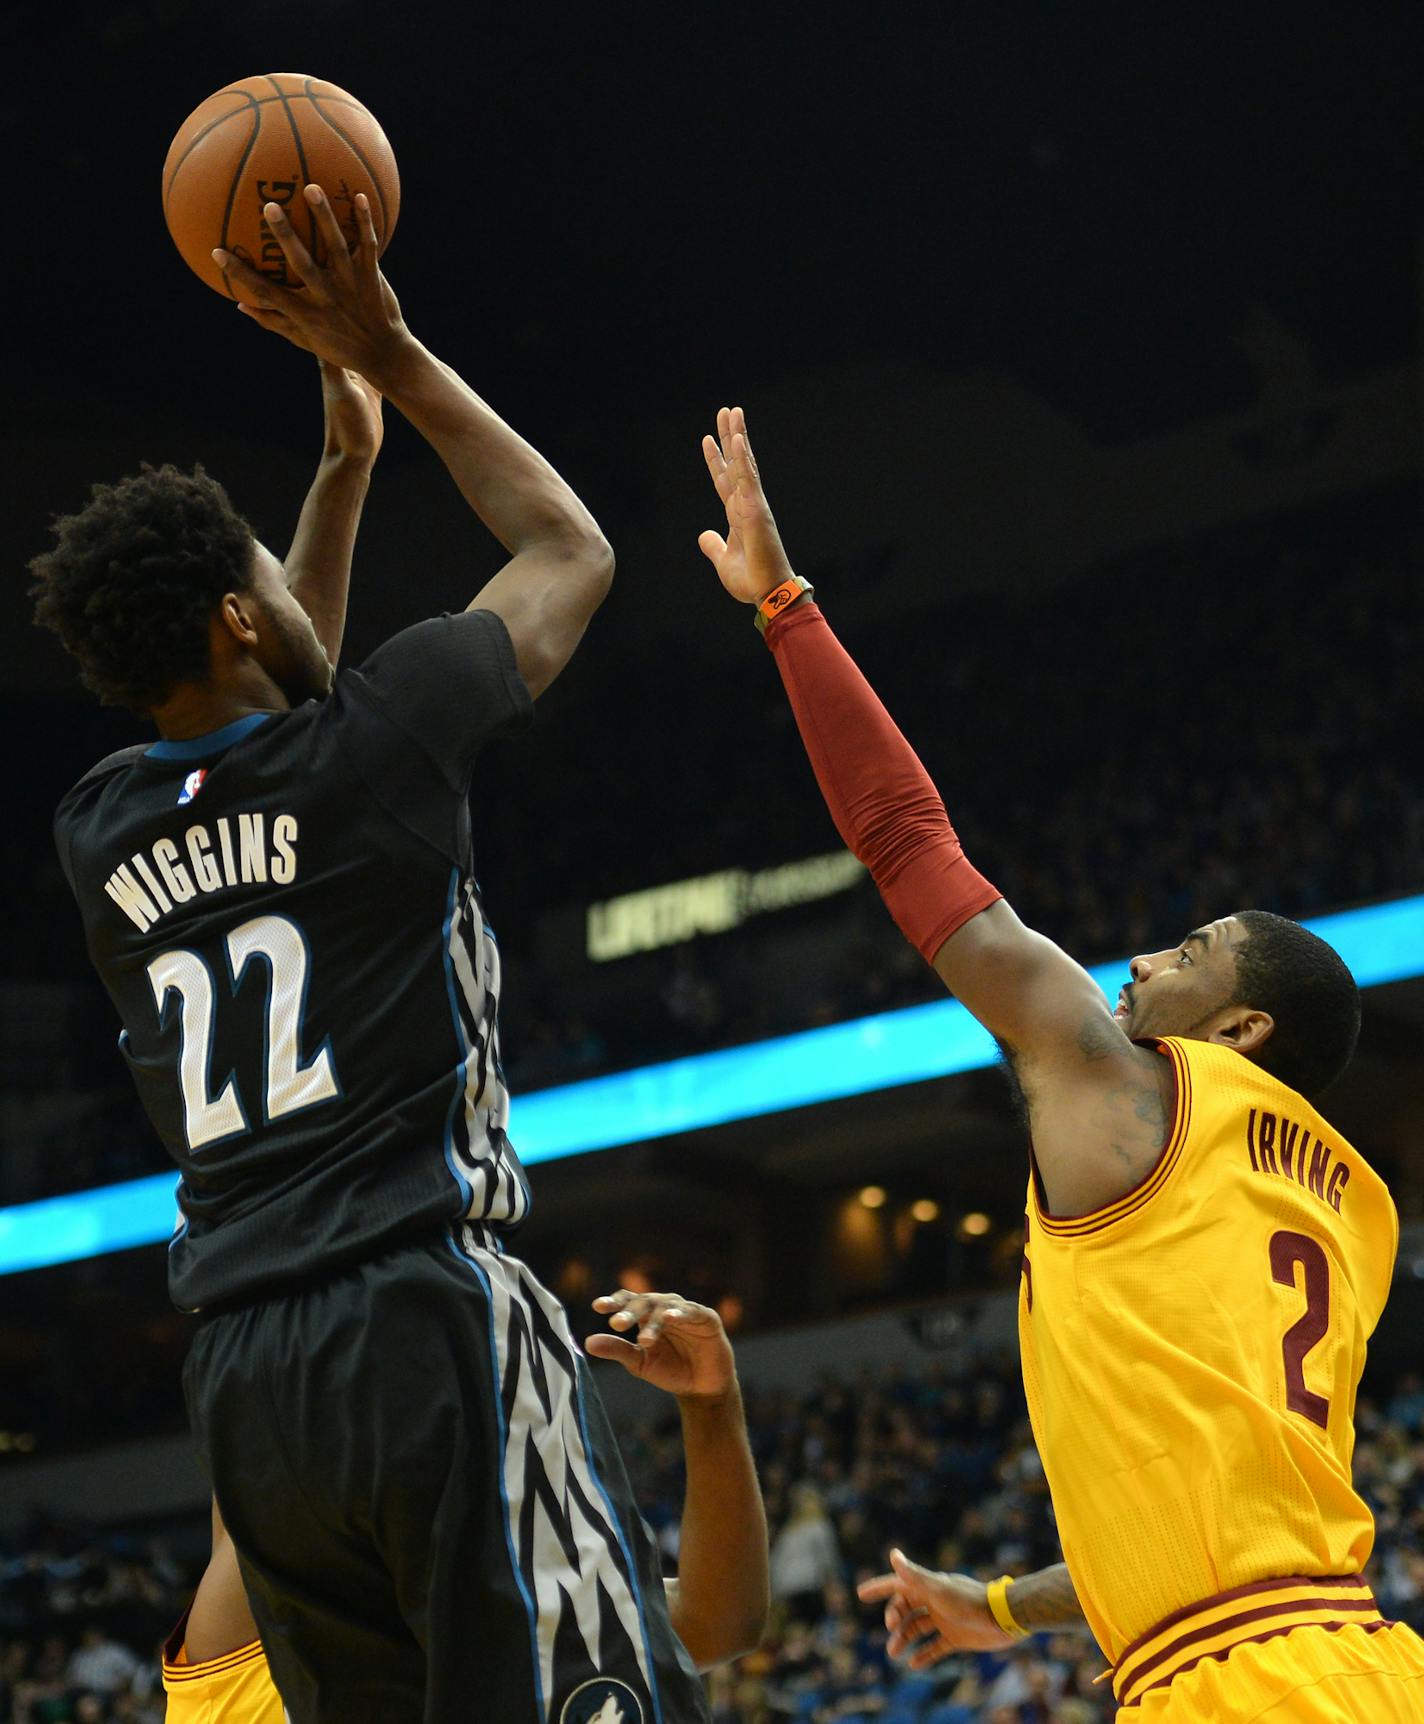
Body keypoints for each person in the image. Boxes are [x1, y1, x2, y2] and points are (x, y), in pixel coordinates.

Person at [32, 181, 704, 1724]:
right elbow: (569, 547)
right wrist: (387, 351)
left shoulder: (96, 828)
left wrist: (340, 478)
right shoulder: (378, 747)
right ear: (232, 612)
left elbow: (281, 699)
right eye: (265, 571)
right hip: (421, 1309)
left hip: (248, 1382)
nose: (292, 577)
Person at [696, 407, 1424, 1719]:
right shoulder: (1348, 1205)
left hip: (1242, 1686)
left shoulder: (1134, 1085)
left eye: (1194, 951)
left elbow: (911, 843)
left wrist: (785, 610)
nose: (1145, 960)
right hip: (1353, 1658)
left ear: (1244, 1026)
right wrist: (1000, 1606)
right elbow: (1203, 1512)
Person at [162, 1290, 768, 1722]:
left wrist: (712, 1401)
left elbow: (717, 1621)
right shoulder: (256, 1644)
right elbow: (721, 1623)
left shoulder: (245, 1665)